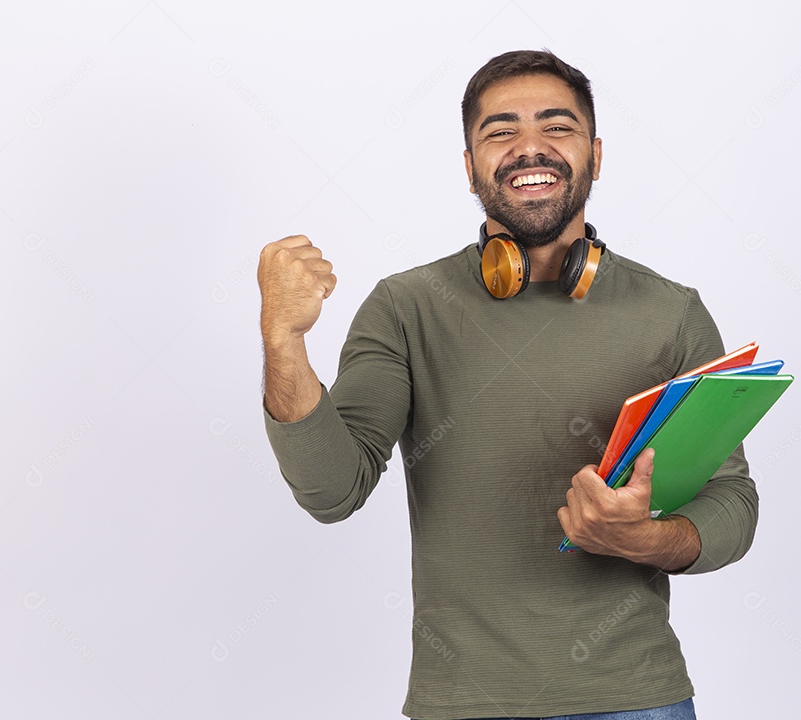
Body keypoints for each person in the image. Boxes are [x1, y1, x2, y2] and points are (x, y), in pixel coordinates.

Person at [258, 49, 757, 720]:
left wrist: (643, 540)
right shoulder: (407, 308)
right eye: (501, 131)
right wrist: (284, 343)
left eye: (557, 126)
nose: (531, 148)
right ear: (470, 167)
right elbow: (331, 489)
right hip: (463, 704)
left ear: (595, 156)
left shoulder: (672, 313)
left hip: (638, 700)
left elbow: (732, 501)